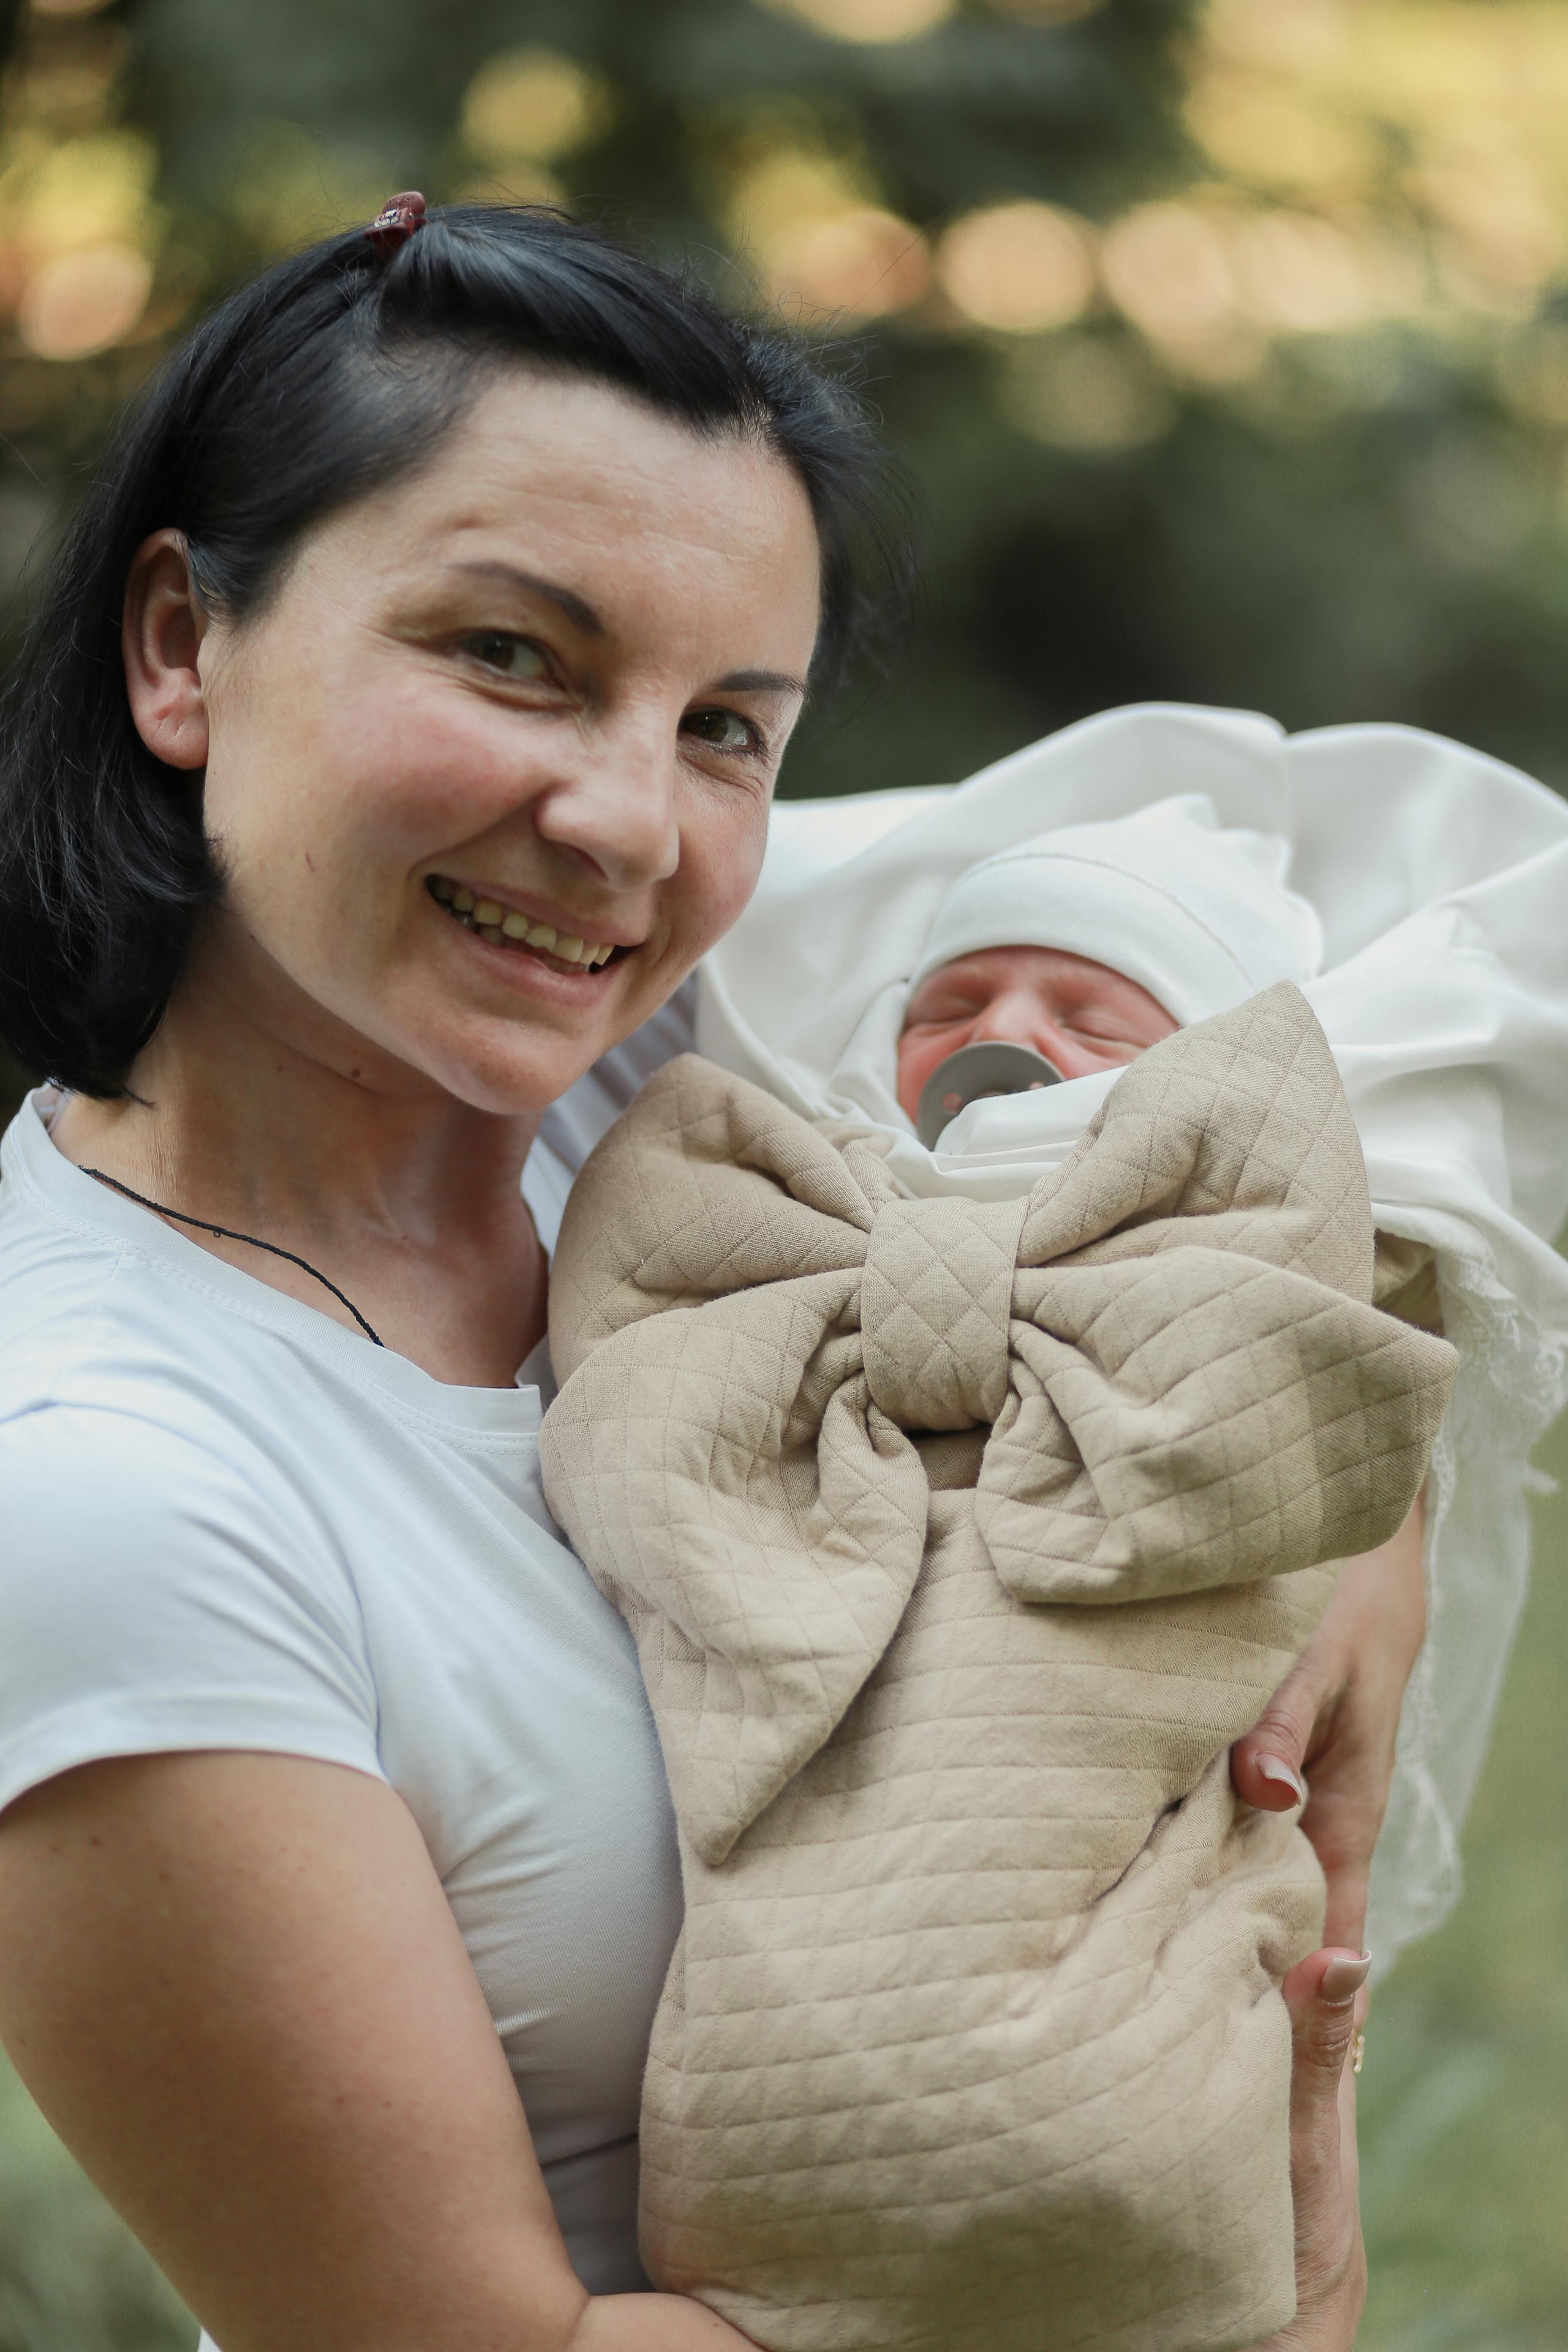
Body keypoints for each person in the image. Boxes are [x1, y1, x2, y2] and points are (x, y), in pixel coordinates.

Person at [0, 198, 1404, 2351]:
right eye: (509, 656)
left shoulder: (705, 1063)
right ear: (182, 645)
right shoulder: (93, 1500)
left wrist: (1346, 1568)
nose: (632, 826)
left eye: (731, 725)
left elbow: (1379, 1005)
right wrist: (1283, 2260)